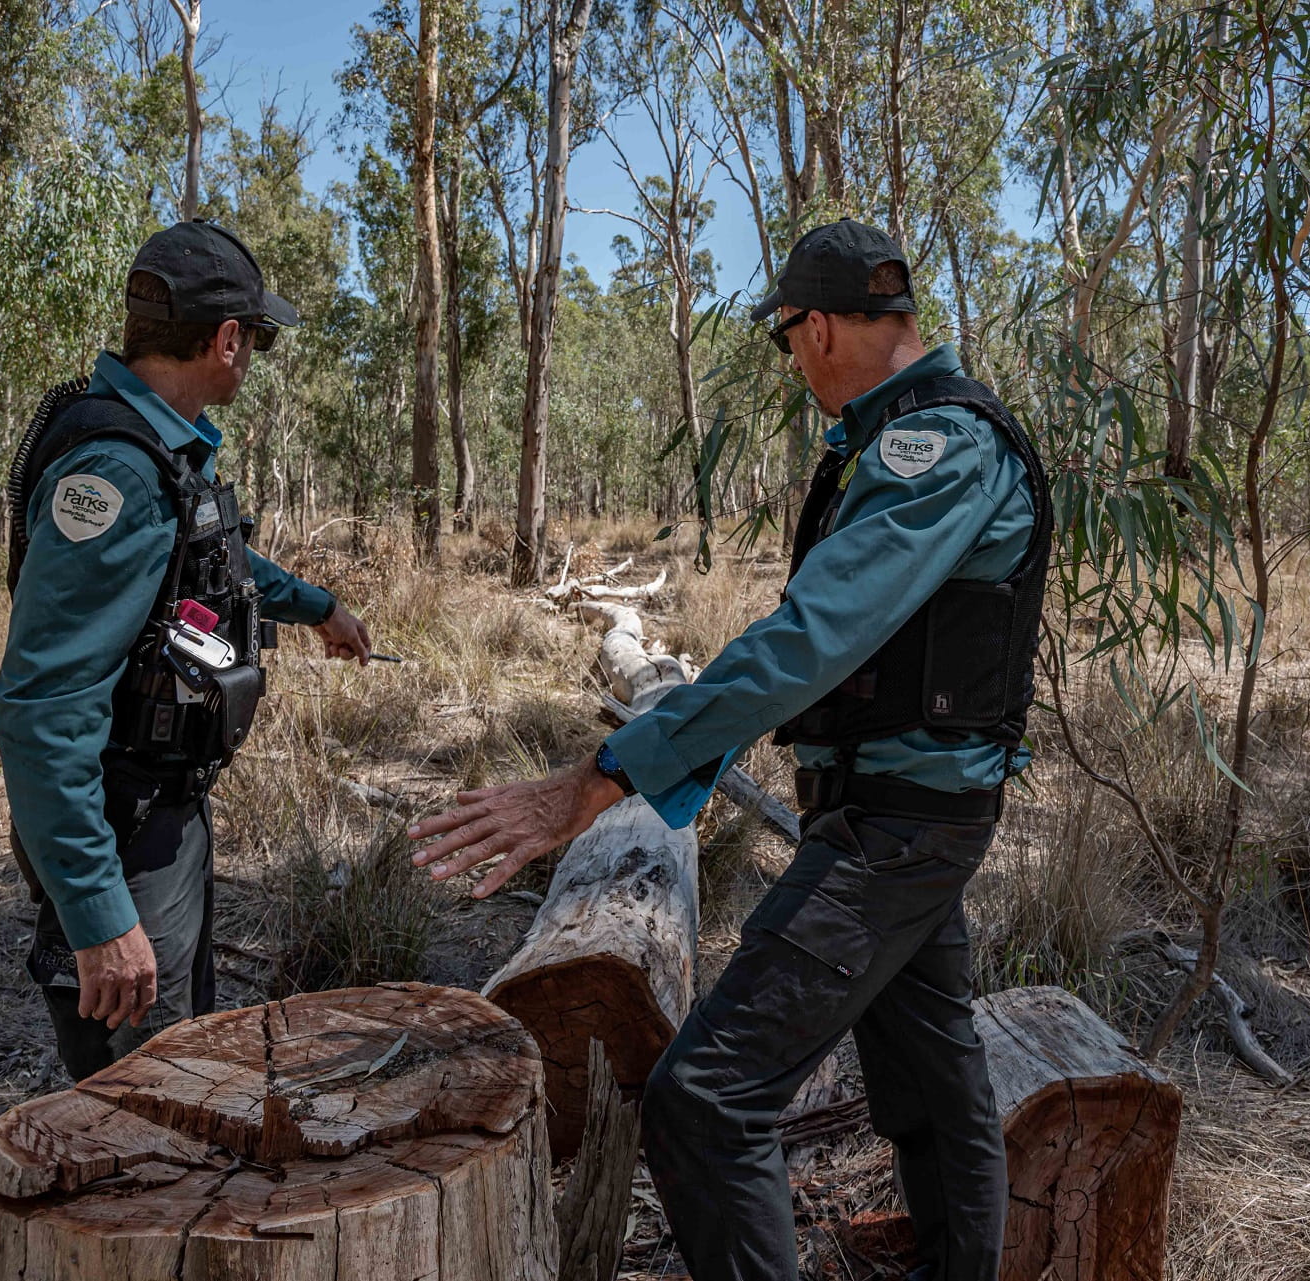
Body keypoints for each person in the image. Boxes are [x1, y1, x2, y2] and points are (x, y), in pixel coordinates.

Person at [409, 218, 1051, 1280]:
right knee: (934, 1082)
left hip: (899, 829)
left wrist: (607, 775)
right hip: (896, 813)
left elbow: (810, 641)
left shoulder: (936, 446)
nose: (792, 359)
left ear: (829, 324)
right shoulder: (903, 437)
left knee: (707, 1099)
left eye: (788, 335)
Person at [0, 219, 372, 1081]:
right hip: (120, 830)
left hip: (164, 813)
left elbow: (210, 556)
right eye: (257, 339)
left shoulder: (163, 452)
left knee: (188, 1062)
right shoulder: (117, 472)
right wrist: (97, 914)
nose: (253, 357)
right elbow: (42, 707)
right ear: (227, 340)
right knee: (146, 1093)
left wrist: (318, 608)